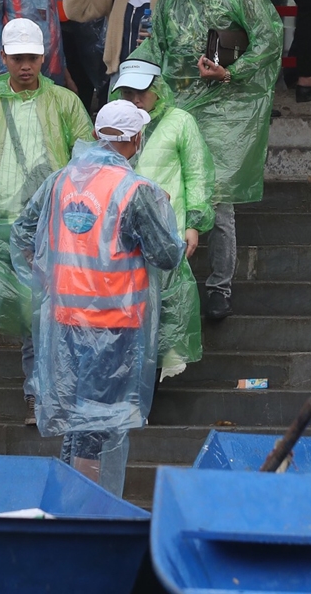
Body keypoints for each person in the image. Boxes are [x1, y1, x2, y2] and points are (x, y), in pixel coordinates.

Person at [11, 99, 184, 495]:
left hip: (64, 323)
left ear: (95, 135)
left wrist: (48, 273)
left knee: (78, 419)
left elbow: (23, 233)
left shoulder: (60, 181)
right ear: (136, 139)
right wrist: (164, 213)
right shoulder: (136, 190)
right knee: (98, 422)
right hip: (114, 327)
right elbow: (167, 254)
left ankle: (74, 496)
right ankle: (85, 502)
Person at [0, 18, 93, 443]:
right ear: (3, 57)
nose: (25, 65)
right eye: (18, 58)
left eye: (32, 57)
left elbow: (84, 161)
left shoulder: (64, 103)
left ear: (42, 58)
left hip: (45, 228)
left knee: (36, 315)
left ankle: (36, 396)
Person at [130, 0, 282, 320]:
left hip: (225, 108)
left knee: (219, 200)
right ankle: (174, 282)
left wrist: (231, 71)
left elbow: (268, 37)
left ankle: (219, 287)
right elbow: (156, 47)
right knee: (172, 193)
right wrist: (130, 76)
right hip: (180, 107)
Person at [111, 58, 214, 380]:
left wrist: (193, 224)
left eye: (142, 91)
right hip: (124, 235)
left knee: (167, 303)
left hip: (168, 231)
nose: (136, 98)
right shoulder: (117, 124)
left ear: (158, 88)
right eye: (128, 92)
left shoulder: (180, 122)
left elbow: (198, 175)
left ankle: (156, 378)